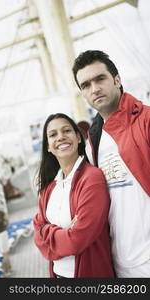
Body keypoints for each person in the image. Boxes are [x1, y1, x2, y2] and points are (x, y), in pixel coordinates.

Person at [72, 50, 150, 277]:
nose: (94, 88)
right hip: (120, 263)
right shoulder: (93, 140)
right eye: (85, 85)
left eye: (100, 79)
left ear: (117, 80)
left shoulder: (145, 121)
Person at [33, 113, 115, 278]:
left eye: (66, 131)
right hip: (57, 275)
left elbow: (77, 240)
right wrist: (62, 232)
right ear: (48, 146)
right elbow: (37, 236)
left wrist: (46, 231)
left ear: (78, 138)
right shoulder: (49, 188)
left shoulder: (91, 179)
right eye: (53, 134)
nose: (61, 137)